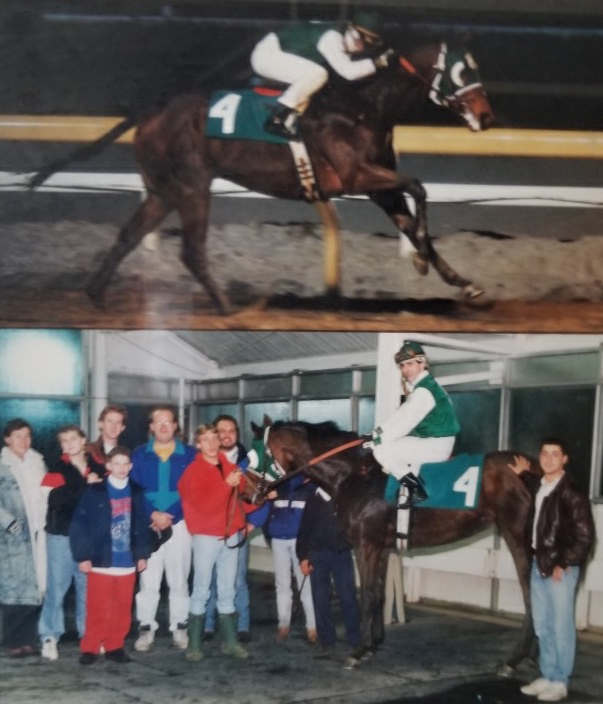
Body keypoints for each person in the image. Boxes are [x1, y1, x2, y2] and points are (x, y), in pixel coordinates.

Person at [509, 439, 595, 702]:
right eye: (544, 454)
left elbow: (585, 536)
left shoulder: (572, 493)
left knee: (560, 627)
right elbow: (533, 484)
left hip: (560, 569)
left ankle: (560, 682)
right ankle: (547, 675)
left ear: (564, 459)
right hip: (539, 565)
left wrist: (565, 563)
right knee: (543, 625)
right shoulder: (541, 485)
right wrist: (523, 473)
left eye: (554, 454)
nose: (548, 459)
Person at [250, 11, 392, 139]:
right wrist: (376, 64)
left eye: (369, 43)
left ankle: (289, 122)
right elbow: (348, 72)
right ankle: (277, 118)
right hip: (267, 55)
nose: (363, 47)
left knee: (316, 81)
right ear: (353, 31)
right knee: (318, 74)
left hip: (277, 52)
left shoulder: (342, 36)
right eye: (363, 40)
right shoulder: (332, 38)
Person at [69, 446, 150, 665]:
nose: (121, 468)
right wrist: (83, 556)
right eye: (117, 464)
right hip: (101, 560)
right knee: (98, 606)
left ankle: (115, 645)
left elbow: (142, 526)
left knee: (122, 607)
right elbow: (79, 524)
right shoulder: (95, 491)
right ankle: (91, 647)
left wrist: (142, 554)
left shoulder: (137, 492)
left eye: (126, 464)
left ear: (131, 466)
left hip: (127, 561)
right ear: (108, 466)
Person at [178, 423, 250, 661]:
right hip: (206, 538)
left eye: (214, 438)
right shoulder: (192, 472)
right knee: (201, 589)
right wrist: (226, 485)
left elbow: (241, 501)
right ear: (198, 444)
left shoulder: (230, 467)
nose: (211, 443)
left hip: (231, 536)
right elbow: (204, 506)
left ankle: (230, 643)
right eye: (205, 439)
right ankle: (194, 645)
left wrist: (262, 497)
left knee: (228, 590)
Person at [130, 405, 196, 652]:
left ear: (176, 425)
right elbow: (134, 490)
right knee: (149, 580)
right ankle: (146, 627)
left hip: (179, 525)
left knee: (179, 579)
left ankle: (180, 626)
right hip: (149, 525)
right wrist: (152, 513)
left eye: (168, 421)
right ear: (151, 426)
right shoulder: (138, 454)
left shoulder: (190, 454)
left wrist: (172, 515)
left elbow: (193, 489)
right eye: (158, 422)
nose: (164, 426)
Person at [364, 340, 460, 507]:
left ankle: (415, 489)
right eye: (402, 365)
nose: (405, 370)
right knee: (392, 445)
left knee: (381, 451)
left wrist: (377, 441)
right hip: (433, 441)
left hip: (437, 445)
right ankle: (409, 486)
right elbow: (400, 416)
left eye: (410, 364)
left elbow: (405, 424)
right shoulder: (424, 387)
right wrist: (376, 432)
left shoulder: (424, 391)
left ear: (423, 364)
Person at [38, 425, 103, 661]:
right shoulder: (56, 470)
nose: (69, 444)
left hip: (89, 538)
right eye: (64, 440)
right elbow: (57, 502)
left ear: (83, 440)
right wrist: (88, 486)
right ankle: (49, 636)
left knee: (87, 588)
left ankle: (88, 635)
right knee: (57, 587)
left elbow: (105, 499)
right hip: (61, 536)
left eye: (73, 438)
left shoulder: (98, 467)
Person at [0, 418, 48, 657]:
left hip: (37, 531)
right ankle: (11, 641)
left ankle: (28, 639)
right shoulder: (2, 464)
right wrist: (7, 521)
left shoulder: (37, 461)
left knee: (34, 587)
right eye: (18, 435)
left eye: (27, 435)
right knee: (13, 589)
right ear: (7, 439)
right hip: (10, 536)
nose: (24, 440)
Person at [252, 473, 317, 644]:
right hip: (279, 539)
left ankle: (312, 627)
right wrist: (270, 531)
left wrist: (308, 545)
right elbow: (265, 510)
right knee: (282, 584)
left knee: (306, 586)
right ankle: (283, 625)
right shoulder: (276, 484)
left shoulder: (309, 485)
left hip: (299, 541)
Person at [203, 414, 252, 643]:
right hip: (211, 531)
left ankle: (242, 626)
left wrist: (253, 522)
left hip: (237, 531)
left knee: (238, 579)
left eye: (231, 430)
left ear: (237, 434)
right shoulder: (206, 460)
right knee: (210, 579)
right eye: (222, 430)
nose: (227, 435)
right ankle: (208, 625)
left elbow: (260, 495)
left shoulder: (249, 462)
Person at [296, 485, 360, 653]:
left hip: (342, 554)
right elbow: (304, 527)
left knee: (348, 597)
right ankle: (326, 640)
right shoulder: (313, 496)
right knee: (320, 599)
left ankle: (355, 639)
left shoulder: (345, 495)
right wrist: (303, 557)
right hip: (317, 555)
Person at [86, 404, 127, 475]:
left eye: (118, 422)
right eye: (109, 421)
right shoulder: (88, 451)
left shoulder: (127, 454)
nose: (113, 426)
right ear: (101, 424)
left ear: (123, 428)